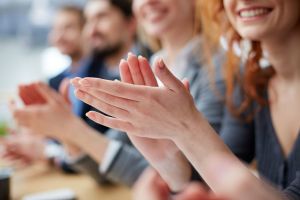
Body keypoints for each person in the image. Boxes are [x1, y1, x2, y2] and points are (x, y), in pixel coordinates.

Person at [71, 0, 300, 199]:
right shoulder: (254, 85)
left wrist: (187, 130)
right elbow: (213, 176)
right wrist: (172, 163)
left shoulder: (225, 72)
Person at [11, 0, 152, 186]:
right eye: (88, 21)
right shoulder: (94, 73)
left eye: (102, 17)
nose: (91, 30)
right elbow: (101, 148)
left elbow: (108, 149)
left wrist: (58, 139)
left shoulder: (152, 68)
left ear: (131, 22)